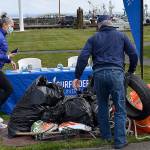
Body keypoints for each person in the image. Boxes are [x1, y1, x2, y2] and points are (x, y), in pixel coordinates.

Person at [73, 15, 138, 149]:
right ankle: (120, 141)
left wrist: (77, 77)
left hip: (99, 75)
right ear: (111, 23)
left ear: (99, 25)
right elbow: (133, 54)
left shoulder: (93, 38)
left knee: (102, 105)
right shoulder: (121, 36)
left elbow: (83, 58)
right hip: (116, 73)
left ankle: (106, 136)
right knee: (120, 108)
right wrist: (131, 70)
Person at [0, 13, 16, 128]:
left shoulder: (2, 35)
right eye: (11, 26)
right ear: (5, 24)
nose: (12, 28)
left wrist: (9, 60)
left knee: (7, 89)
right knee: (8, 88)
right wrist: (8, 58)